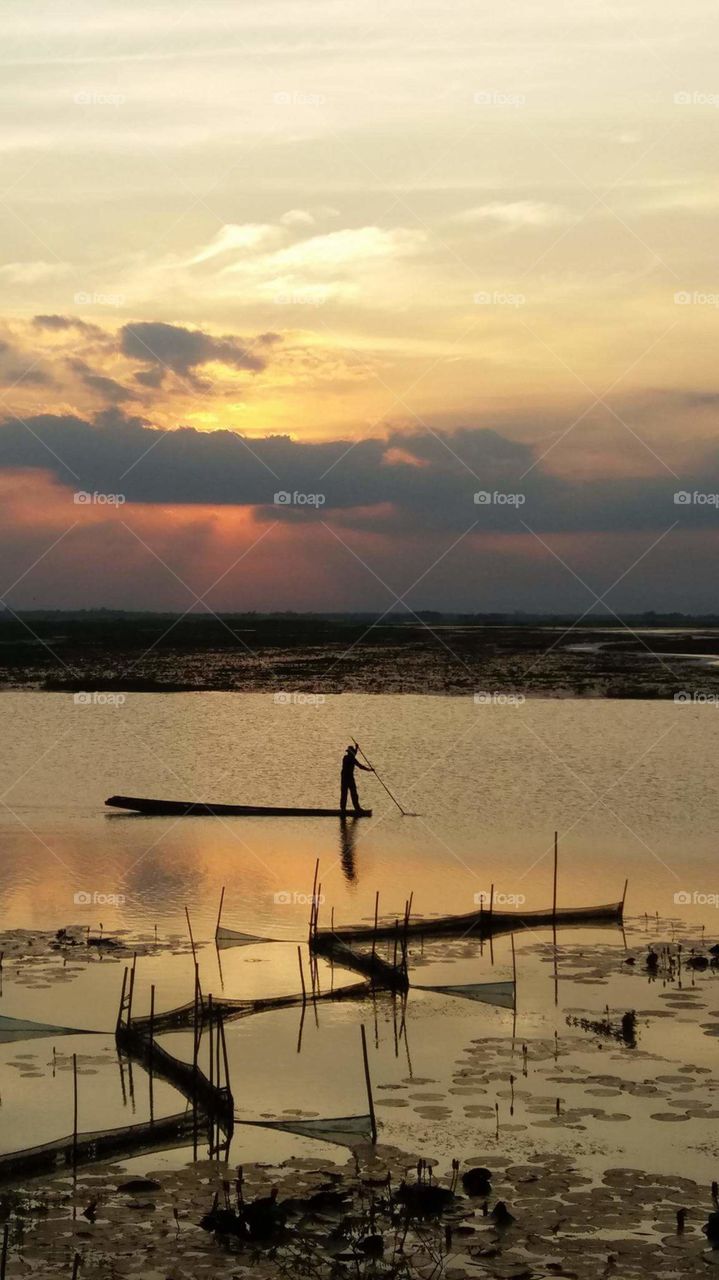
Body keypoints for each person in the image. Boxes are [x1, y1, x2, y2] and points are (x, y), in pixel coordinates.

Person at [340, 744, 373, 813]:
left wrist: (356, 748)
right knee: (346, 793)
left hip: (348, 777)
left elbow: (353, 754)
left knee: (353, 793)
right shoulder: (348, 758)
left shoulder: (349, 757)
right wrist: (369, 770)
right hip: (346, 778)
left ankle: (354, 808)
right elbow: (360, 766)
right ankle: (344, 809)